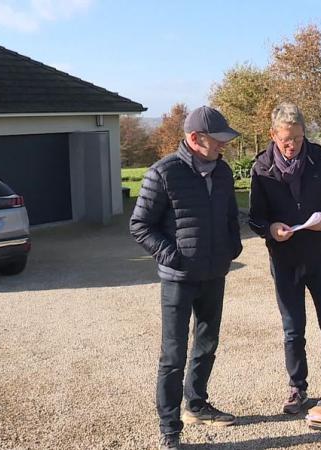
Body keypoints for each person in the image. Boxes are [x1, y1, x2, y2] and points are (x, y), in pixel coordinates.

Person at [130, 106, 242, 450]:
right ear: (195, 139)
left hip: (214, 274)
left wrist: (231, 248)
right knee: (173, 354)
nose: (224, 146)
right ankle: (170, 427)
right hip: (178, 279)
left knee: (207, 345)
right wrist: (173, 257)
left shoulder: (222, 172)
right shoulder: (163, 173)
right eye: (218, 140)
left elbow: (229, 216)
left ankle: (196, 404)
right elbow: (140, 225)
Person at [248, 102, 321, 415]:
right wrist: (270, 229)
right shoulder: (261, 168)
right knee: (293, 329)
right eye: (285, 140)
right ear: (272, 135)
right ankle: (297, 388)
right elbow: (254, 218)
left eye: (297, 137)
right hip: (285, 261)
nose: (292, 145)